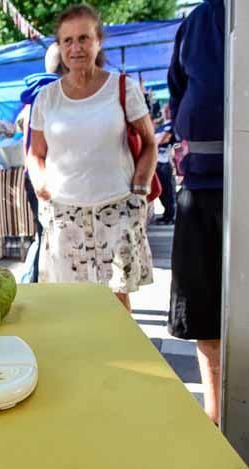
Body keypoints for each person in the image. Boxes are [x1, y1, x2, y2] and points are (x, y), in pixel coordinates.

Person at [26, 4, 157, 311]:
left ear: (98, 41)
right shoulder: (47, 97)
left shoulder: (122, 87)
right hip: (64, 215)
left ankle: (124, 360)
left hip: (116, 211)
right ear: (59, 47)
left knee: (116, 302)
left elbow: (150, 142)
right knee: (70, 304)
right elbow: (36, 153)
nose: (76, 47)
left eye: (84, 38)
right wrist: (41, 183)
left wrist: (140, 187)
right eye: (67, 40)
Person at [167, 0, 224, 424]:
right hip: (202, 189)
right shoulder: (199, 22)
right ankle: (216, 418)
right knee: (204, 319)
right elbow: (180, 94)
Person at [18, 42, 62, 284]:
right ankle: (31, 284)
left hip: (33, 173)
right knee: (51, 237)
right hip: (53, 174)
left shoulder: (31, 97)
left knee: (43, 235)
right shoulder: (57, 93)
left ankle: (30, 283)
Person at [154, 104, 176, 225]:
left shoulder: (171, 126)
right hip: (157, 162)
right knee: (161, 191)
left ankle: (169, 216)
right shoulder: (162, 126)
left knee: (167, 191)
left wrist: (154, 142)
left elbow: (164, 139)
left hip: (163, 162)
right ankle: (166, 215)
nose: (165, 112)